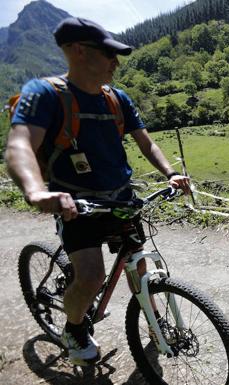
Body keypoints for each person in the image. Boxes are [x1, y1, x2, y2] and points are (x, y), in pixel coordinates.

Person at [4, 17, 190, 366]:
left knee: (140, 269)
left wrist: (171, 173)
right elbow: (19, 146)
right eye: (108, 54)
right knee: (91, 276)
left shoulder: (117, 99)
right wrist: (36, 191)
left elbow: (146, 144)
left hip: (121, 199)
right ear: (78, 51)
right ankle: (73, 329)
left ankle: (154, 325)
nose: (115, 63)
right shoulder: (44, 94)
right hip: (76, 205)